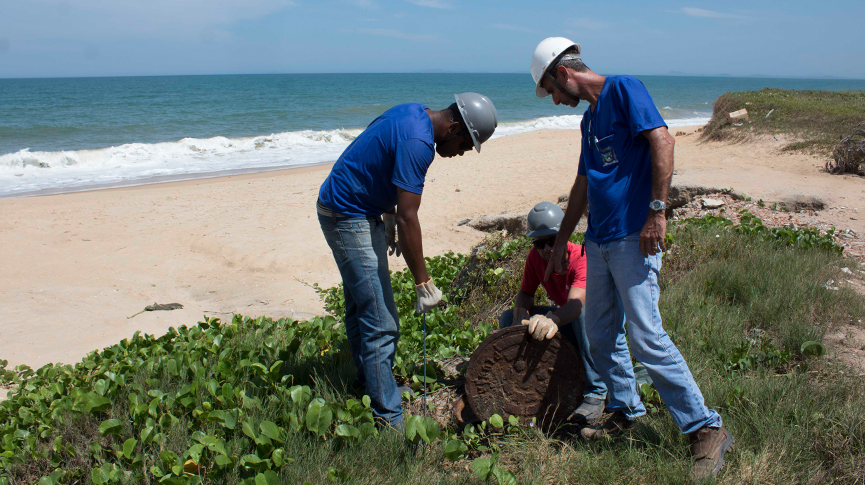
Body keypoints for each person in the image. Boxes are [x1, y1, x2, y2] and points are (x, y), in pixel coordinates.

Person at [529, 37, 733, 479]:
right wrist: (563, 243)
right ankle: (626, 411)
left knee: (646, 337)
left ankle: (705, 429)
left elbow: (663, 141)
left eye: (552, 91)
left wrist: (657, 213)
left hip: (632, 238)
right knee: (601, 334)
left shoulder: (624, 89)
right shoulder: (588, 123)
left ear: (563, 73)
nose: (556, 101)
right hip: (599, 240)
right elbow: (583, 183)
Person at [317, 94, 498, 427]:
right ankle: (389, 419)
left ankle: (370, 385)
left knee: (363, 306)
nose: (461, 153)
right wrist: (423, 282)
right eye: (465, 144)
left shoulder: (414, 113)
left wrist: (385, 212)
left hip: (353, 207)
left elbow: (379, 159)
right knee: (382, 322)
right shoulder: (419, 143)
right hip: (347, 214)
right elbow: (409, 218)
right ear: (454, 126)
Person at [497, 201, 607, 425]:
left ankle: (596, 391)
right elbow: (526, 293)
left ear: (564, 235)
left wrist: (552, 319)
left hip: (597, 329)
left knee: (582, 313)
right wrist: (519, 318)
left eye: (552, 240)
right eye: (540, 243)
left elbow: (577, 304)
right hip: (571, 324)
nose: (547, 249)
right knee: (508, 318)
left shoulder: (581, 258)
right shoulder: (535, 258)